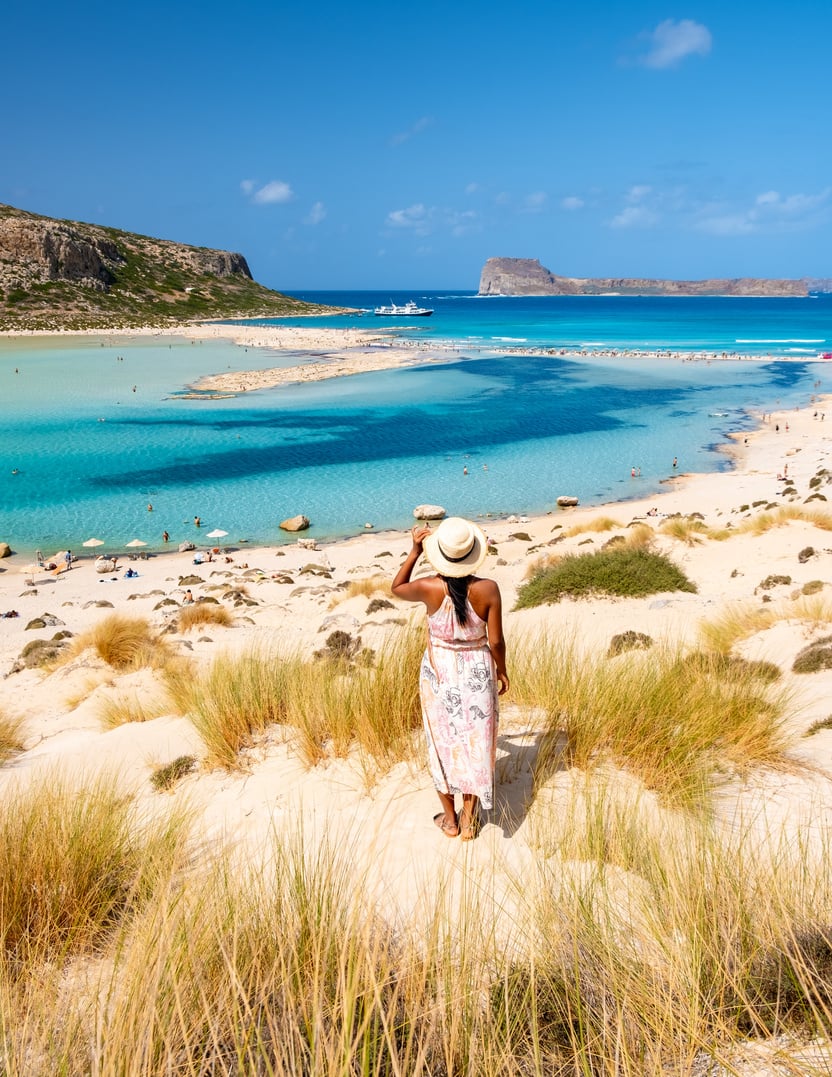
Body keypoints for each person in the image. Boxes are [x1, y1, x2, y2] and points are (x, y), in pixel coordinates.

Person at [392, 517, 509, 841]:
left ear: (439, 554)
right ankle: (469, 820)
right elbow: (496, 641)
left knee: (442, 742)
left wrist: (414, 551)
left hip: (439, 673)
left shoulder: (429, 587)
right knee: (475, 743)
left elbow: (397, 587)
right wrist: (502, 669)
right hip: (477, 671)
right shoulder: (488, 589)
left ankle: (450, 819)